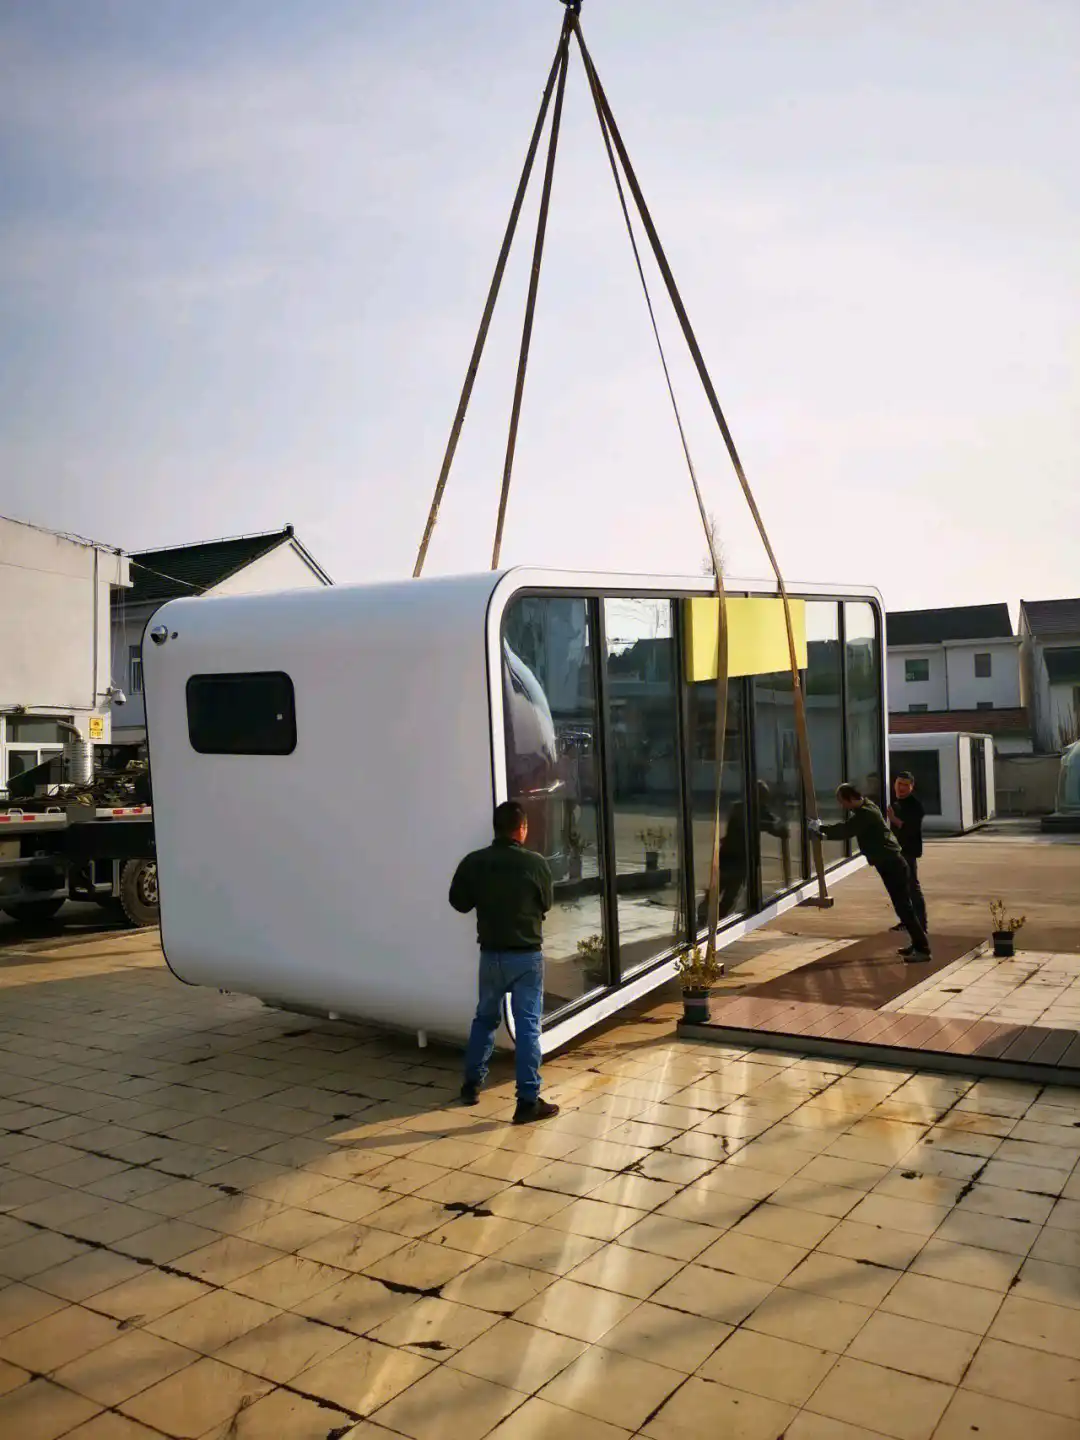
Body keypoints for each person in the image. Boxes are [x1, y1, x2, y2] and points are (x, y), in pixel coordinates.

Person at [450, 800, 559, 1124]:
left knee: (484, 1019)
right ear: (521, 829)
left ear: (496, 829)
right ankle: (527, 1101)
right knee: (527, 1029)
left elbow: (458, 902)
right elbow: (547, 903)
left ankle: (471, 1085)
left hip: (491, 956)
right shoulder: (535, 864)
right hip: (526, 958)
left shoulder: (475, 862)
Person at [810, 783, 932, 962]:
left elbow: (846, 829)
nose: (842, 806)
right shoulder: (867, 806)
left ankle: (923, 949)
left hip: (893, 865)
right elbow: (849, 828)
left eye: (842, 802)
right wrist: (824, 834)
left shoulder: (866, 813)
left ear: (851, 799)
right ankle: (917, 944)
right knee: (903, 908)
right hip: (891, 864)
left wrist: (820, 828)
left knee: (904, 908)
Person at [887, 771, 927, 935]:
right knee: (900, 889)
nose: (901, 788)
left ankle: (921, 924)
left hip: (908, 851)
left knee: (912, 888)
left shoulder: (915, 806)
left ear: (911, 787)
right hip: (895, 851)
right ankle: (906, 921)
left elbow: (911, 829)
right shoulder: (893, 801)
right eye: (899, 784)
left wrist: (894, 819)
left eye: (905, 785)